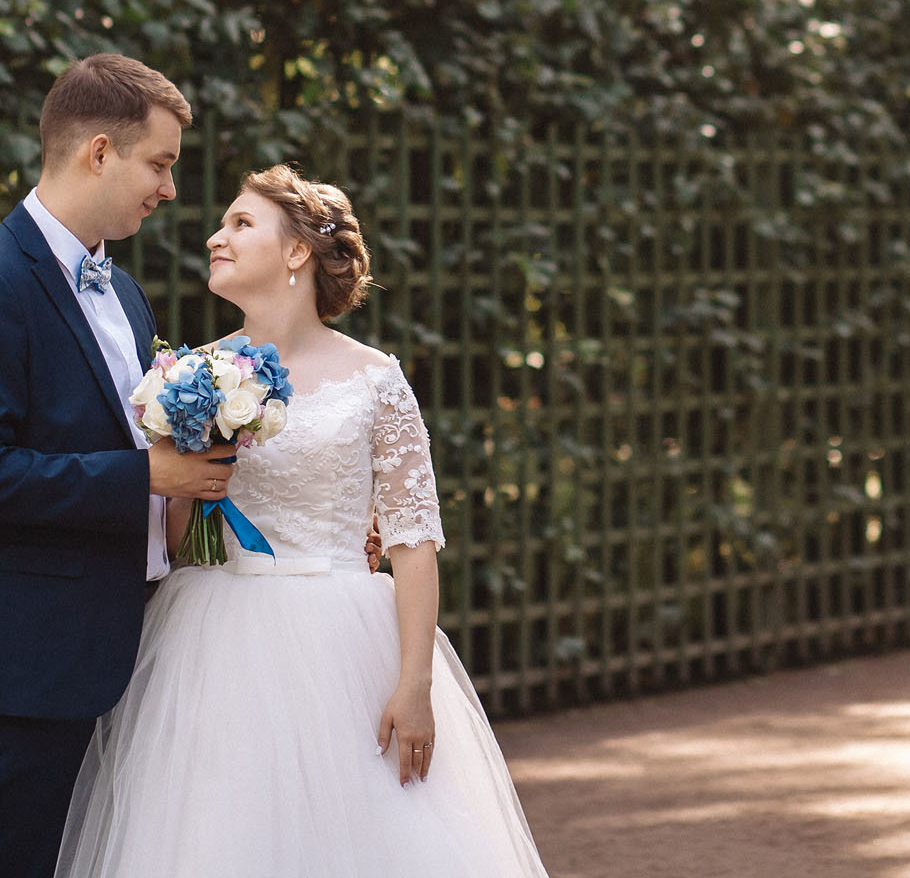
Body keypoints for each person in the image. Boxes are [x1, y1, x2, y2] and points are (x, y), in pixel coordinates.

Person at [53, 165, 550, 878]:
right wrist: (196, 454)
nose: (215, 237)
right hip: (213, 639)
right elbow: (175, 540)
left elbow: (412, 543)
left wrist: (415, 685)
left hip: (343, 639)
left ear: (296, 254)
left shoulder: (376, 380)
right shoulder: (195, 373)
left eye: (240, 224)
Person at [0, 55, 241, 877]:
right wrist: (149, 479)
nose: (168, 188)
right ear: (99, 151)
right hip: (23, 652)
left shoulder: (124, 294)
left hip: (124, 641)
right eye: (159, 164)